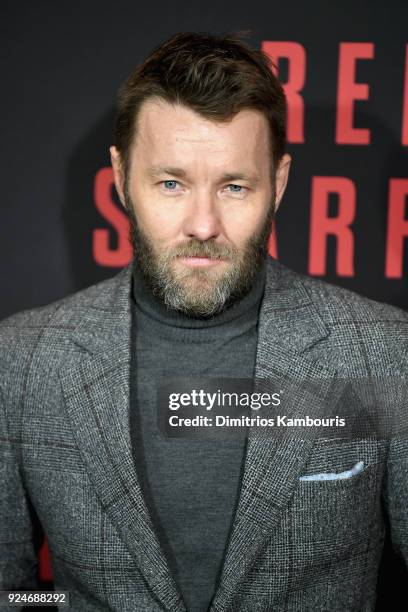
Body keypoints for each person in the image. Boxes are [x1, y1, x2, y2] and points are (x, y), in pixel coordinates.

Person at [0, 31, 407, 612]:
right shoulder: (20, 360)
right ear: (120, 179)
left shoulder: (386, 353)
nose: (202, 223)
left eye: (234, 186)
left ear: (280, 184)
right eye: (171, 183)